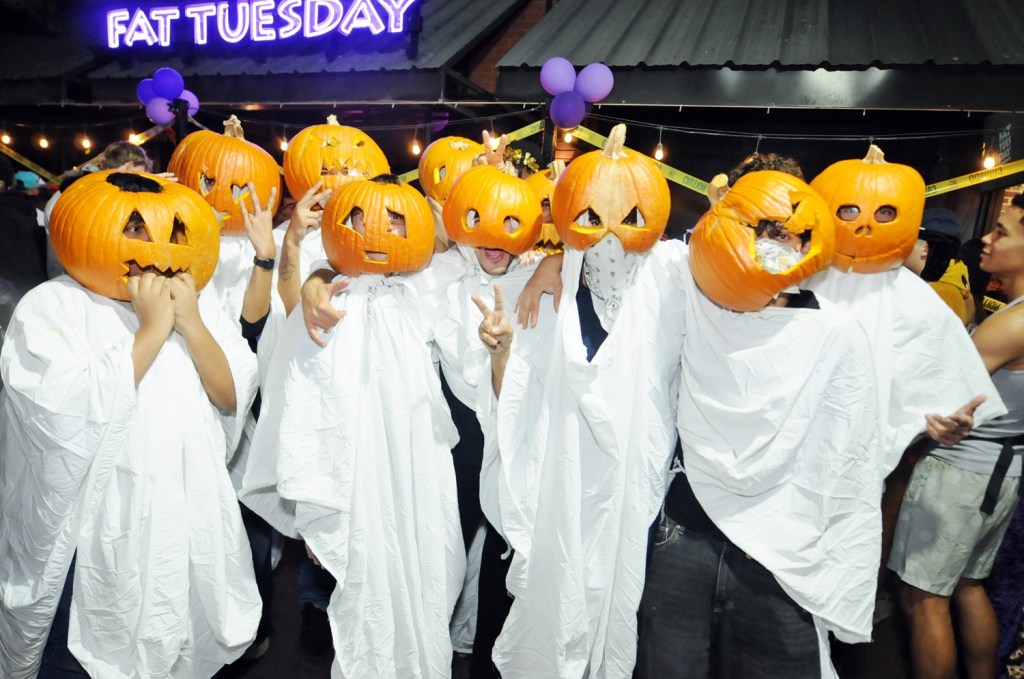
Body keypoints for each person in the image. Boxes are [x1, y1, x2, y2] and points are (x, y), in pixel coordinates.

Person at [0, 170, 260, 677]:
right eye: (137, 228)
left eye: (175, 231)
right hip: (89, 536)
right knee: (82, 653)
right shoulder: (53, 305)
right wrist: (153, 329)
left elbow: (231, 396)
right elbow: (64, 415)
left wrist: (188, 322)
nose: (160, 247)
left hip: (179, 515)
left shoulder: (195, 301)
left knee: (175, 633)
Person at [474, 124, 688, 679]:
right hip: (562, 486)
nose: (610, 230)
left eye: (627, 214)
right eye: (594, 215)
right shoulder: (551, 290)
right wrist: (503, 349)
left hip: (627, 493)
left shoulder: (670, 282)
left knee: (613, 607)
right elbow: (518, 398)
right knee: (555, 605)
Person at [243, 174, 466, 678]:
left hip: (417, 471)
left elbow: (489, 257)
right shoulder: (328, 304)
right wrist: (316, 512)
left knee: (425, 580)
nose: (378, 231)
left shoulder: (427, 285)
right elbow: (307, 411)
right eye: (361, 219)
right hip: (352, 481)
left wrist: (553, 263)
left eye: (396, 220)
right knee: (364, 601)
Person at [890, 193, 1024, 679]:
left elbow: (937, 394)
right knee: (968, 585)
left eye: (1001, 232)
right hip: (999, 470)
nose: (985, 238)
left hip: (962, 473)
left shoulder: (1011, 324)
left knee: (924, 598)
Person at [903, 207, 974, 325]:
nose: (900, 248)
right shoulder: (944, 286)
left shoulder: (940, 295)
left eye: (907, 242)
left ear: (925, 249)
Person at [0, 157, 47, 300]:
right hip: (32, 291)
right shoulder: (23, 208)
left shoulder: (4, 213)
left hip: (14, 298)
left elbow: (7, 266)